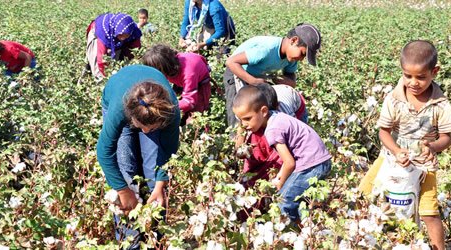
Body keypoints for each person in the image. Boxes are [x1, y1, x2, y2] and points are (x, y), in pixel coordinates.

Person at [358, 40, 451, 250]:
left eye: (421, 77)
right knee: (365, 192)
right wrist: (396, 151)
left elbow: (446, 138)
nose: (413, 82)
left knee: (428, 211)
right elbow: (383, 132)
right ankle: (369, 239)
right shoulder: (393, 99)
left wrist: (432, 147)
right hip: (391, 159)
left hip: (424, 165)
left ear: (435, 72)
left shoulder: (440, 104)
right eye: (408, 76)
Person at [96, 64, 180, 245]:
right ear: (131, 117)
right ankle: (130, 242)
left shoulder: (170, 111)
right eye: (141, 127)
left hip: (154, 109)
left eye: (152, 128)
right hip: (118, 94)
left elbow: (168, 151)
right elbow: (104, 152)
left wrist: (160, 186)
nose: (146, 131)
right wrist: (122, 190)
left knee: (152, 171)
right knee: (126, 169)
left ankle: (155, 238)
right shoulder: (119, 110)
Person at [232, 85, 332, 221]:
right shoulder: (276, 116)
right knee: (298, 201)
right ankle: (307, 229)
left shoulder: (272, 130)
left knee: (282, 203)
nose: (244, 124)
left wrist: (279, 183)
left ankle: (289, 235)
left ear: (263, 111)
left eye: (248, 119)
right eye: (240, 120)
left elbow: (289, 163)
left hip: (310, 165)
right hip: (318, 161)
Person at [224, 23, 321, 126]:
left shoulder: (291, 58)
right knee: (240, 114)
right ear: (293, 41)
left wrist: (286, 81)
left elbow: (291, 79)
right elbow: (231, 62)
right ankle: (234, 139)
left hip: (257, 78)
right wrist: (254, 81)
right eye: (302, 54)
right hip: (237, 73)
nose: (301, 59)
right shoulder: (266, 49)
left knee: (258, 114)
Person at [142, 44, 211, 125]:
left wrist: (164, 108)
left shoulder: (188, 73)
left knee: (195, 117)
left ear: (165, 67)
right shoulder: (168, 66)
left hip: (200, 83)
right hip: (180, 78)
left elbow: (189, 101)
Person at [86, 13, 142, 81]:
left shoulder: (133, 31)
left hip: (114, 35)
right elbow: (101, 58)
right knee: (96, 65)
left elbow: (135, 51)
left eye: (126, 35)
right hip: (97, 33)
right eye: (121, 35)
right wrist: (105, 78)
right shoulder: (104, 32)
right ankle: (92, 82)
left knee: (116, 62)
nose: (122, 38)